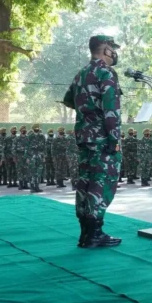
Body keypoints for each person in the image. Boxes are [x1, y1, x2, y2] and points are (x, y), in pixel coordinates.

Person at [63, 35, 122, 248]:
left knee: (85, 182)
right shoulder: (105, 73)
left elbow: (69, 100)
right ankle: (95, 233)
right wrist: (114, 139)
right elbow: (111, 111)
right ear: (105, 49)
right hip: (103, 139)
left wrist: (87, 111)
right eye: (112, 48)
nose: (114, 52)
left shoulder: (81, 74)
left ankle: (85, 232)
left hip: (84, 137)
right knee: (102, 182)